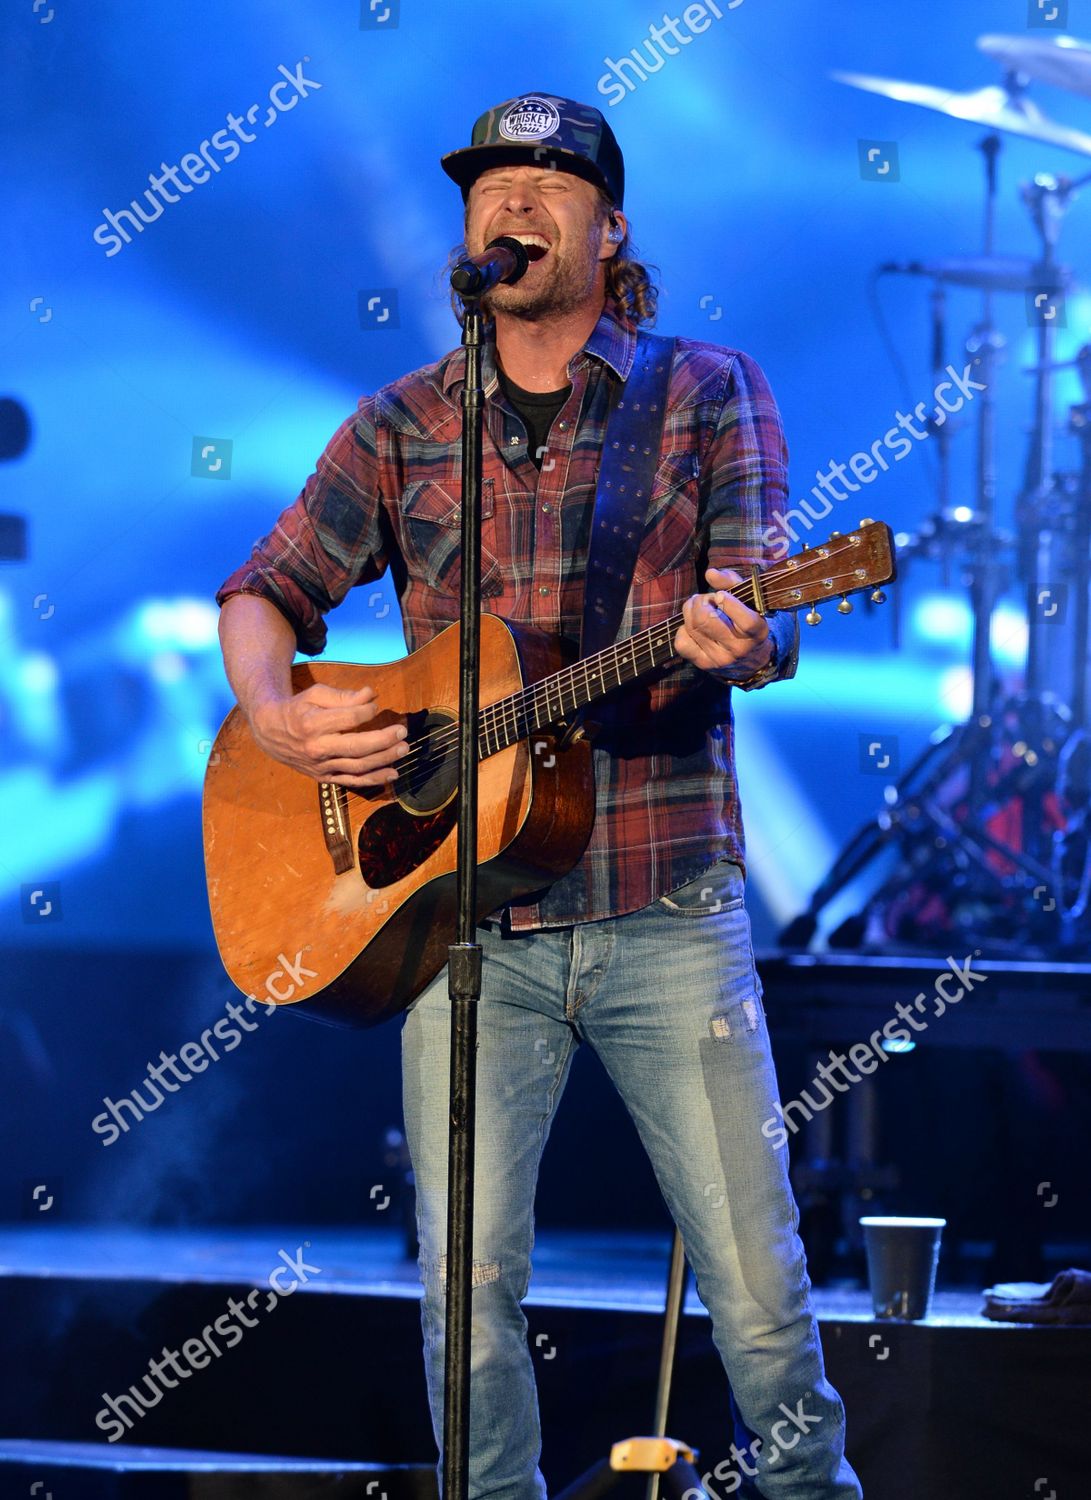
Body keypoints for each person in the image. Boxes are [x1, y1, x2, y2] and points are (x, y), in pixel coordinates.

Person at [216, 91, 862, 1500]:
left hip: (662, 900)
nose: (516, 203)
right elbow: (267, 592)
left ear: (609, 225)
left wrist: (756, 629)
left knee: (760, 1297)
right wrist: (278, 713)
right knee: (468, 1307)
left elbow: (768, 602)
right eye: (491, 184)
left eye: (551, 182)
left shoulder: (704, 390)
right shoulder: (400, 422)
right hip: (462, 927)